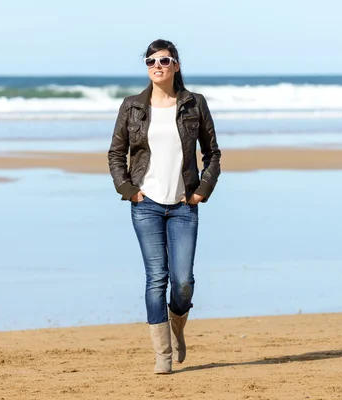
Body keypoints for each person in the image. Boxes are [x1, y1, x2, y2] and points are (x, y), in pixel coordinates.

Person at [107, 39, 221, 374]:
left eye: (165, 60)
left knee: (183, 281)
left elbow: (212, 153)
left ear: (176, 65)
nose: (158, 66)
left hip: (185, 205)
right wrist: (128, 189)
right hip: (147, 205)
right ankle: (162, 355)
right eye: (151, 61)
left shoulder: (194, 104)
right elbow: (116, 153)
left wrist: (202, 189)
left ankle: (178, 324)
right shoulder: (132, 107)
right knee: (157, 277)